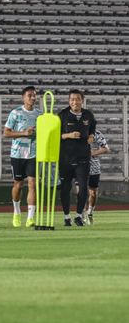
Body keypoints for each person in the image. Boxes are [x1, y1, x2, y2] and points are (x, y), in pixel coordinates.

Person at [3, 86, 42, 228]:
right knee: (18, 185)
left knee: (33, 184)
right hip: (18, 154)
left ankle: (31, 217)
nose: (32, 98)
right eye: (29, 95)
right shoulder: (15, 113)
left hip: (34, 154)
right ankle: (17, 211)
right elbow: (6, 133)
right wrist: (24, 133)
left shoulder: (40, 114)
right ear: (23, 97)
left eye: (34, 95)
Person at [58, 90, 96, 227]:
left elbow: (92, 130)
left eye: (78, 99)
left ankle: (79, 215)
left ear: (82, 100)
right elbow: (56, 136)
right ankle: (66, 217)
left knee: (83, 188)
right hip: (65, 158)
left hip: (83, 157)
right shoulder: (62, 115)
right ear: (69, 101)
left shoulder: (88, 115)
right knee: (65, 188)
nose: (75, 102)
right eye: (72, 99)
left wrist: (91, 136)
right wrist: (68, 135)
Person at [85, 129, 109, 225]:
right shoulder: (76, 131)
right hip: (80, 166)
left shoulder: (97, 133)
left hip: (94, 168)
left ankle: (90, 212)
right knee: (80, 191)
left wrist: (92, 153)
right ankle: (81, 215)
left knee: (93, 193)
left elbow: (106, 149)